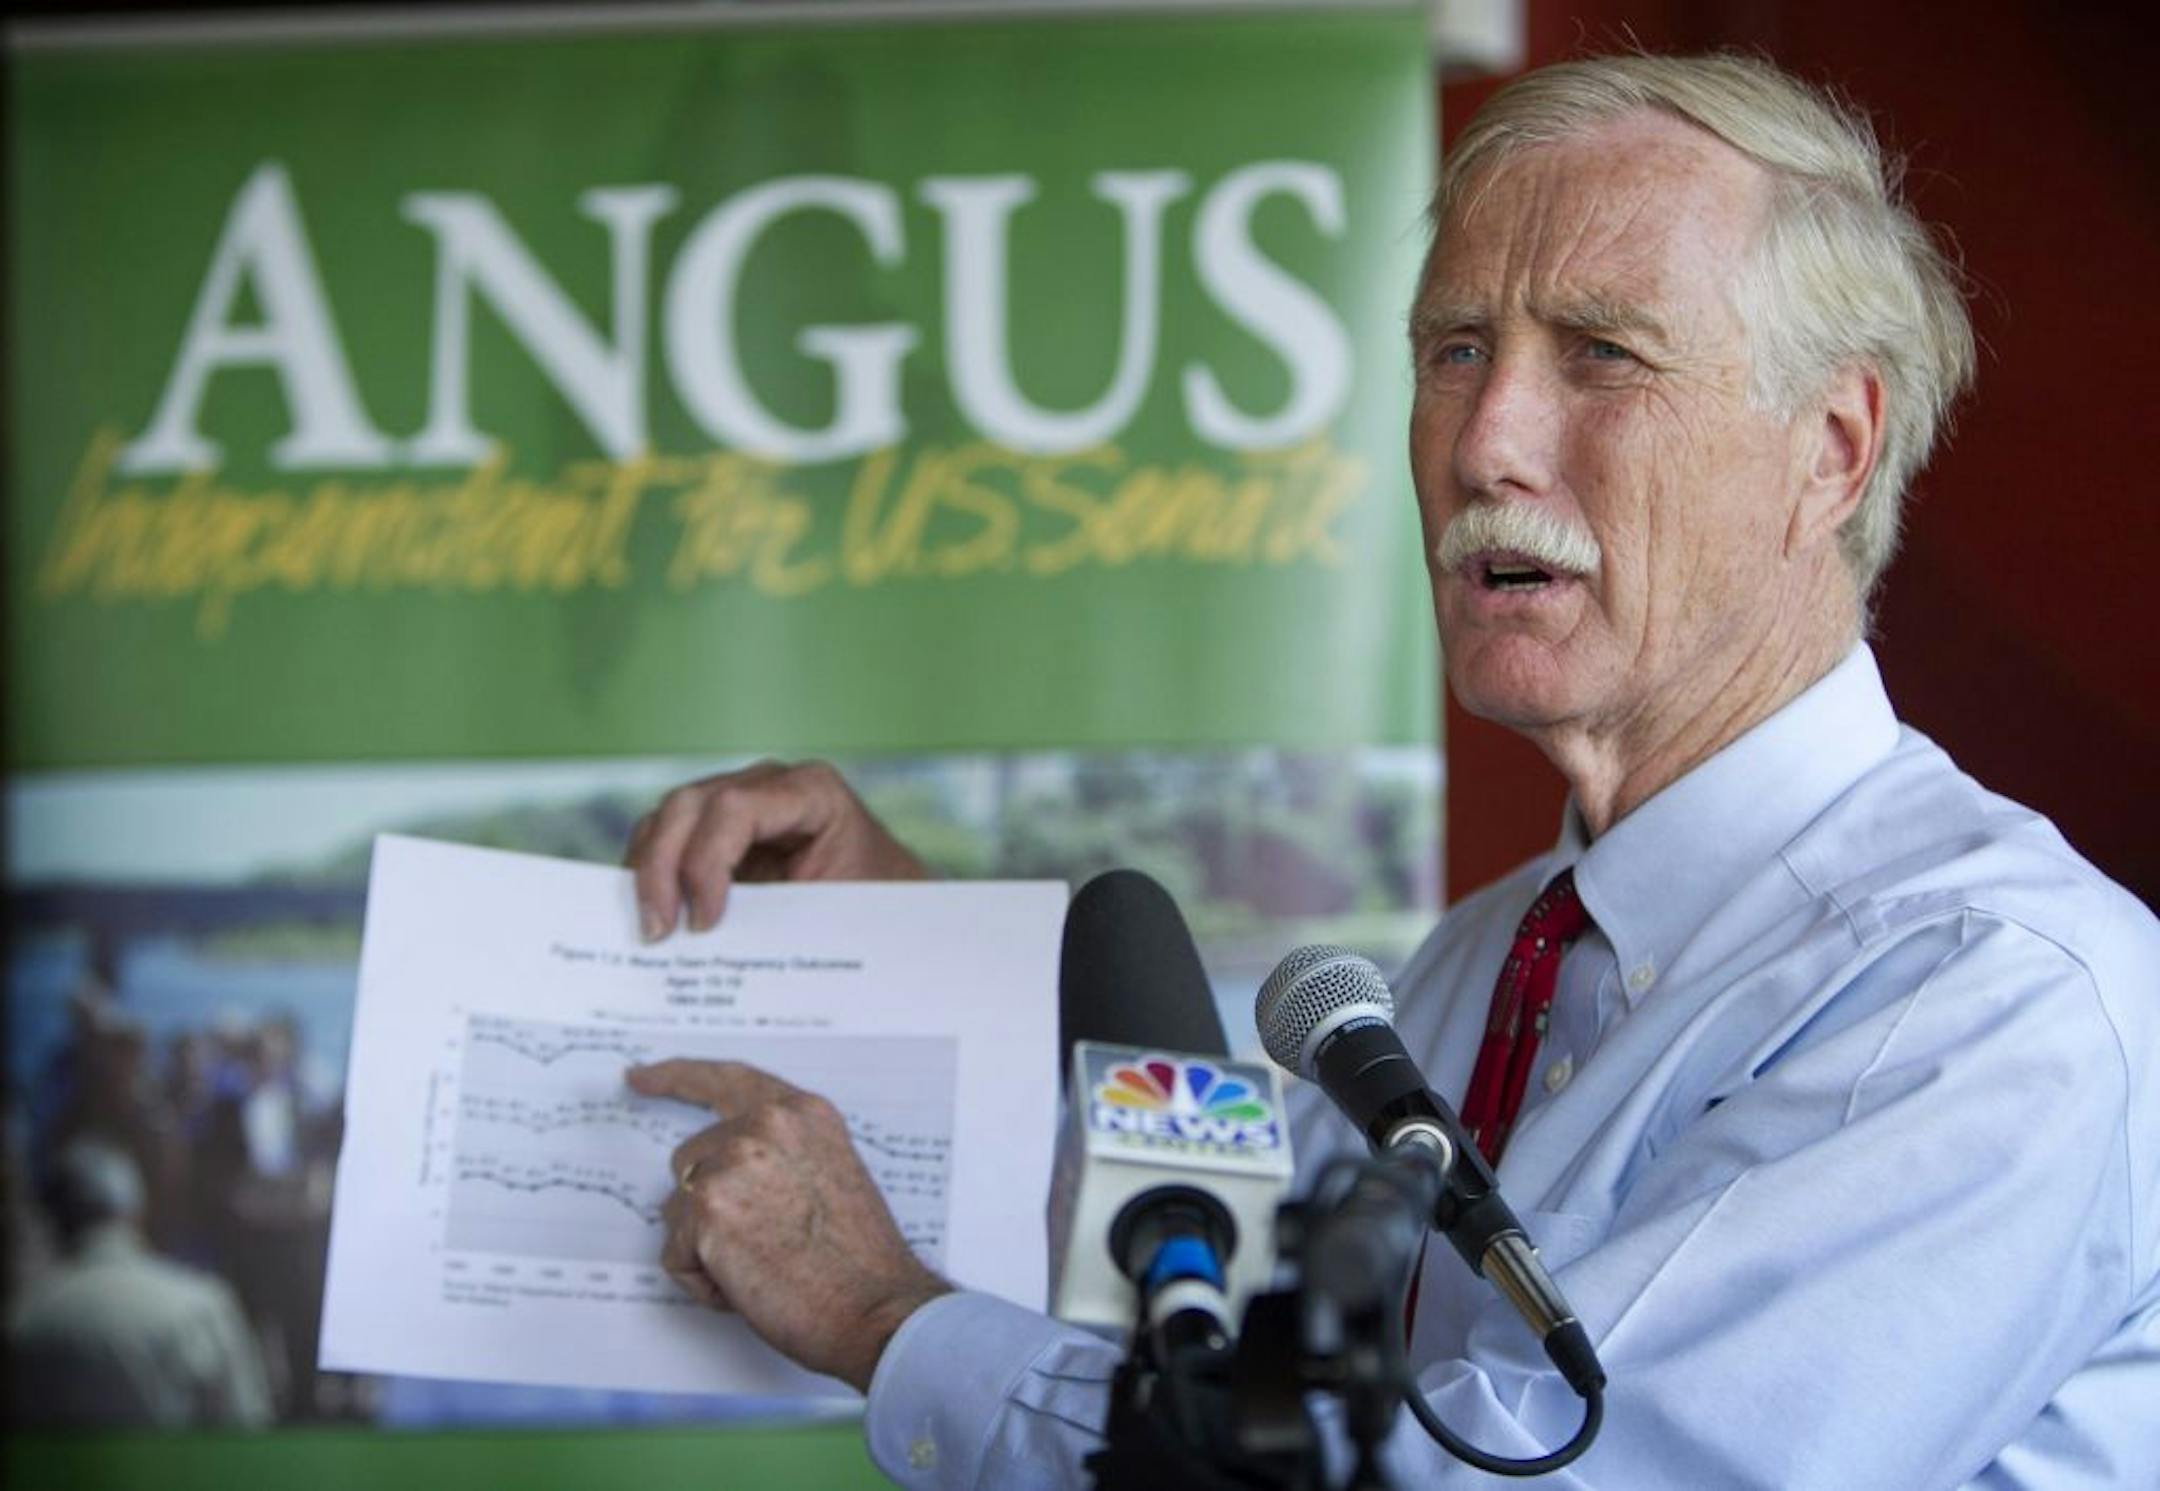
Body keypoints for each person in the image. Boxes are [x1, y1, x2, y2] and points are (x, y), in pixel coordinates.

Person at [621, 53, 2159, 1488]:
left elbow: (1505, 1463)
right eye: (1454, 349)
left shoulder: (1991, 996)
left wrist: (884, 1318)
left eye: (1602, 355)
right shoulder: (1482, 958)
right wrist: (925, 943)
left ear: (1828, 450)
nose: (1486, 438)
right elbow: (1214, 1274)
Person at [8, 1139, 272, 1428]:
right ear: (136, 1211)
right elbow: (249, 1433)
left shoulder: (25, 1321)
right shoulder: (201, 1307)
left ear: (54, 1220)